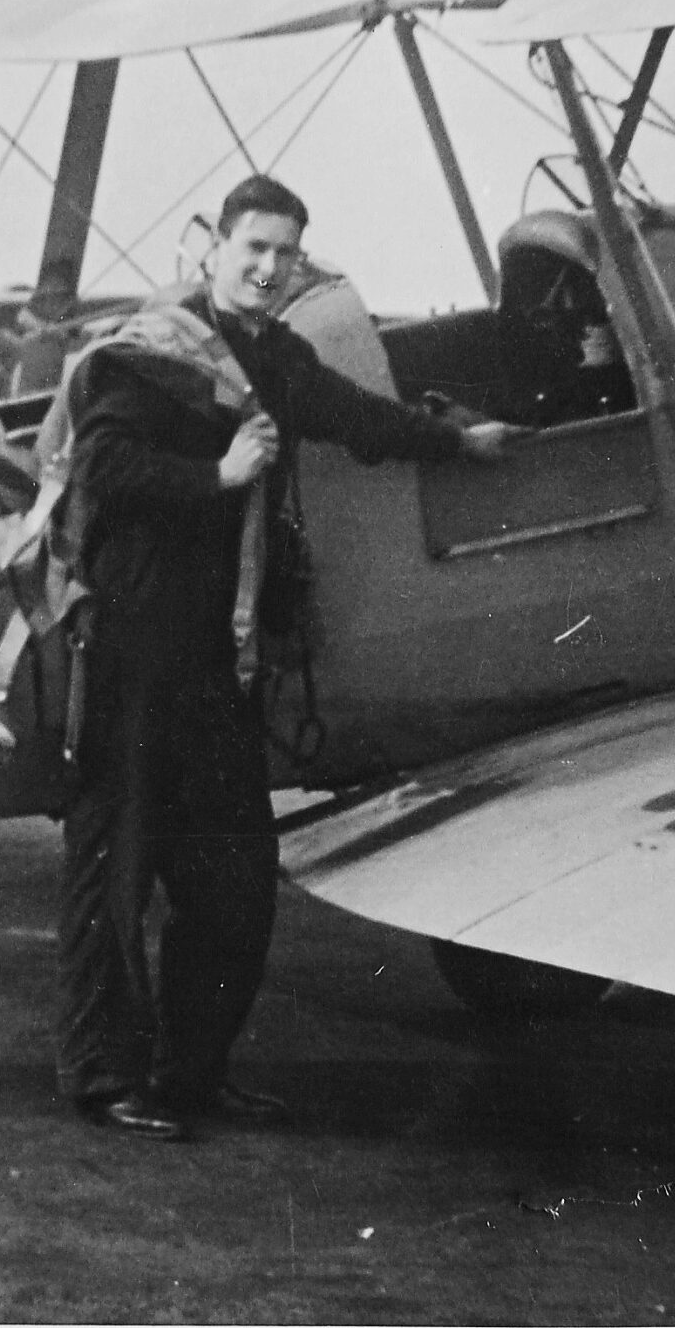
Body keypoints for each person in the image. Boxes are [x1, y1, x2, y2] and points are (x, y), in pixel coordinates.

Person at [56, 173, 514, 1141]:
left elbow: (360, 418)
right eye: (253, 247)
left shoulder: (274, 356)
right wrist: (218, 474)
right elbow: (101, 469)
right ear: (211, 248)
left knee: (237, 879)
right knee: (117, 870)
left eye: (285, 253)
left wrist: (459, 443)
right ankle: (104, 1077)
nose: (268, 267)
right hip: (133, 649)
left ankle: (193, 1072)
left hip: (215, 664)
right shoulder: (148, 355)